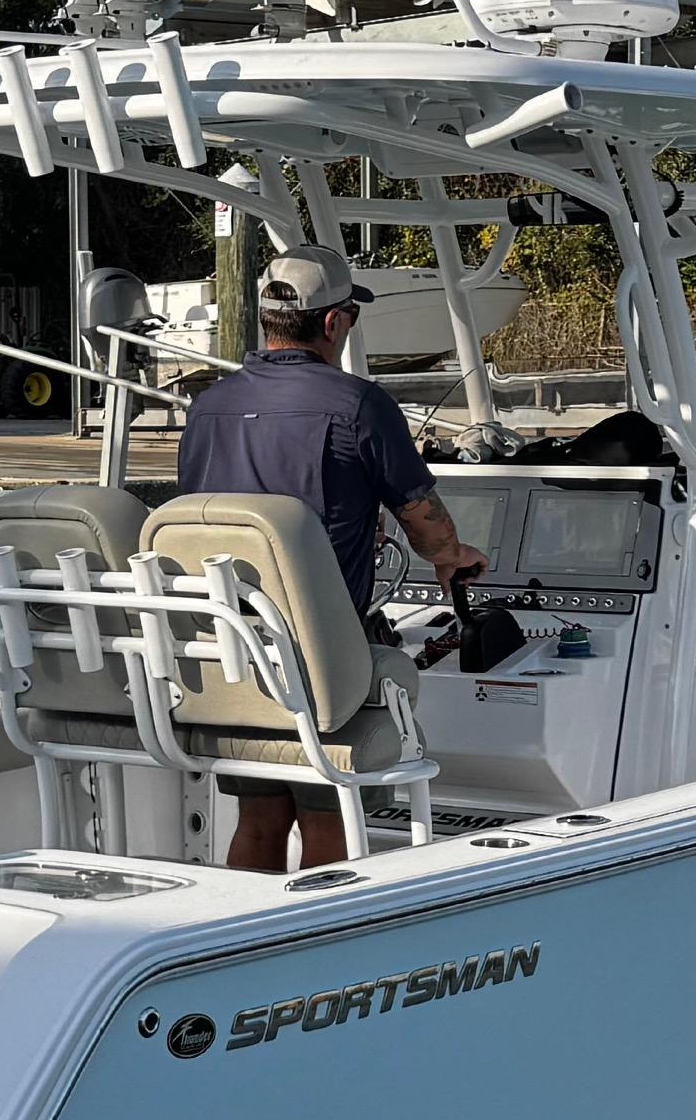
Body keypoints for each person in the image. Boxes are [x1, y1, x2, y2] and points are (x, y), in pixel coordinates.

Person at [173, 245, 486, 872]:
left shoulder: (207, 407)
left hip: (231, 653)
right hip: (321, 658)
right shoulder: (359, 404)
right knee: (330, 814)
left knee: (259, 820)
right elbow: (423, 522)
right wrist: (453, 556)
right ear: (334, 322)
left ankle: (250, 925)